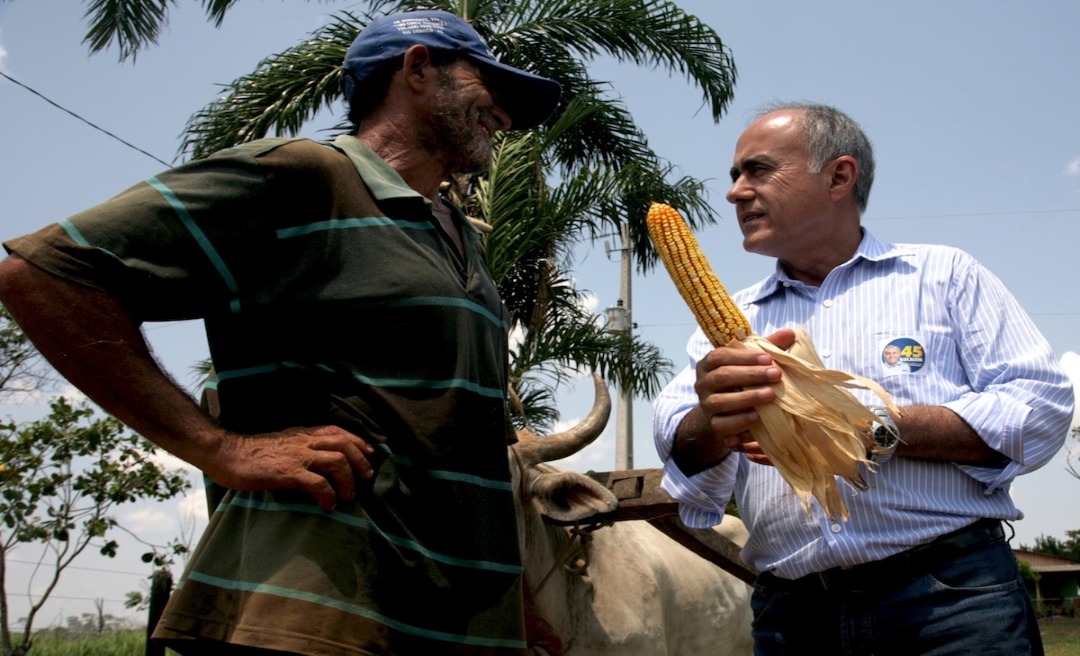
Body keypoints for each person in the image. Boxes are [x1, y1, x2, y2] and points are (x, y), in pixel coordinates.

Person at [0, 9, 561, 655]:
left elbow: (465, 434)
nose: (507, 115)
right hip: (316, 608)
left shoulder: (462, 239)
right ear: (416, 68)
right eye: (487, 84)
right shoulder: (305, 175)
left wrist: (513, 602)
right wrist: (220, 448)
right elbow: (42, 273)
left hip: (458, 618)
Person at [653, 102, 1074, 655]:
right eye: (734, 175)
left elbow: (1038, 408)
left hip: (948, 599)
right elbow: (679, 443)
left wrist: (874, 425)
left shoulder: (944, 276)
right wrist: (711, 417)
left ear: (839, 176)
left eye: (757, 170)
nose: (735, 192)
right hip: (792, 614)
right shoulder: (736, 316)